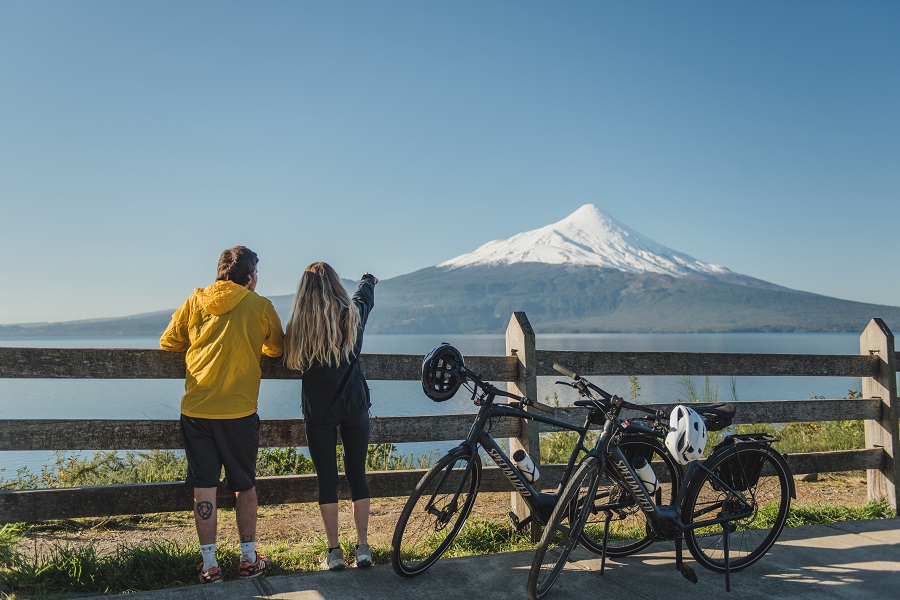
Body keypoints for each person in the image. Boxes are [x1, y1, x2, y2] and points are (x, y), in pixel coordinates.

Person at [160, 246, 284, 584]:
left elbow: (168, 342)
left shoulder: (194, 301)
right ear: (248, 277)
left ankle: (210, 565)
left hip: (197, 410)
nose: (257, 279)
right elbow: (276, 348)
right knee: (245, 486)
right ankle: (247, 560)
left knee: (204, 487)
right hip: (240, 412)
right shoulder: (259, 306)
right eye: (256, 273)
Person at [284, 262, 377, 571]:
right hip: (354, 405)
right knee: (357, 475)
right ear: (337, 285)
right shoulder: (352, 316)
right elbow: (364, 298)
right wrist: (368, 280)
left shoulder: (299, 327)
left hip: (319, 411)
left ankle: (334, 551)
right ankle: (363, 548)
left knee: (327, 480)